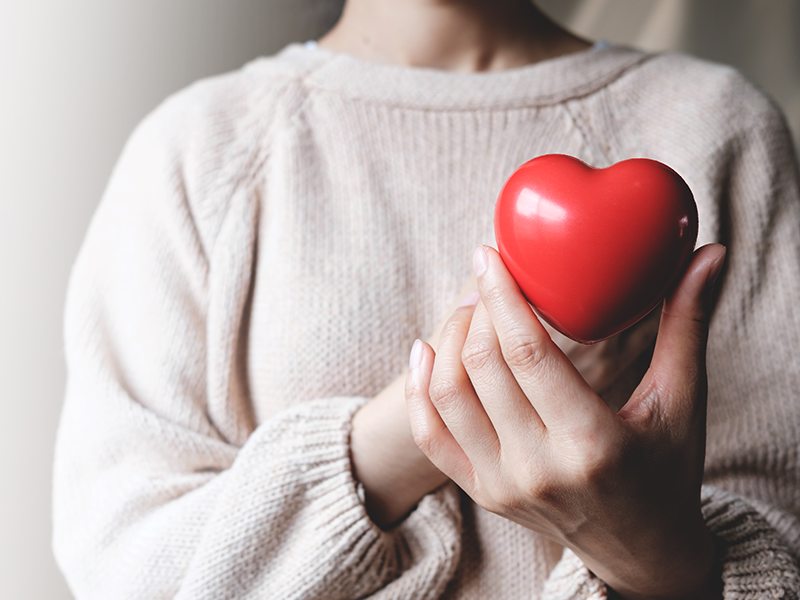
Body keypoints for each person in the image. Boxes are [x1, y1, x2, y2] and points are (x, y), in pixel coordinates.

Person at [53, 0, 800, 598]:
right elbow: (120, 565)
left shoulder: (715, 126)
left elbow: (787, 539)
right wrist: (408, 434)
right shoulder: (198, 149)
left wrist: (660, 565)